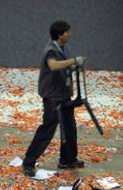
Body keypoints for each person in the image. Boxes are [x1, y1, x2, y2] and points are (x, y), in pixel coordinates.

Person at [22, 20, 84, 177]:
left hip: (63, 94)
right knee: (48, 128)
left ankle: (68, 159)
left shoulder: (63, 47)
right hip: (52, 97)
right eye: (67, 32)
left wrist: (73, 66)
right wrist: (72, 61)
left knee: (70, 127)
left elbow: (63, 66)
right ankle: (29, 161)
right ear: (60, 34)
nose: (70, 34)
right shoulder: (51, 50)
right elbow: (53, 66)